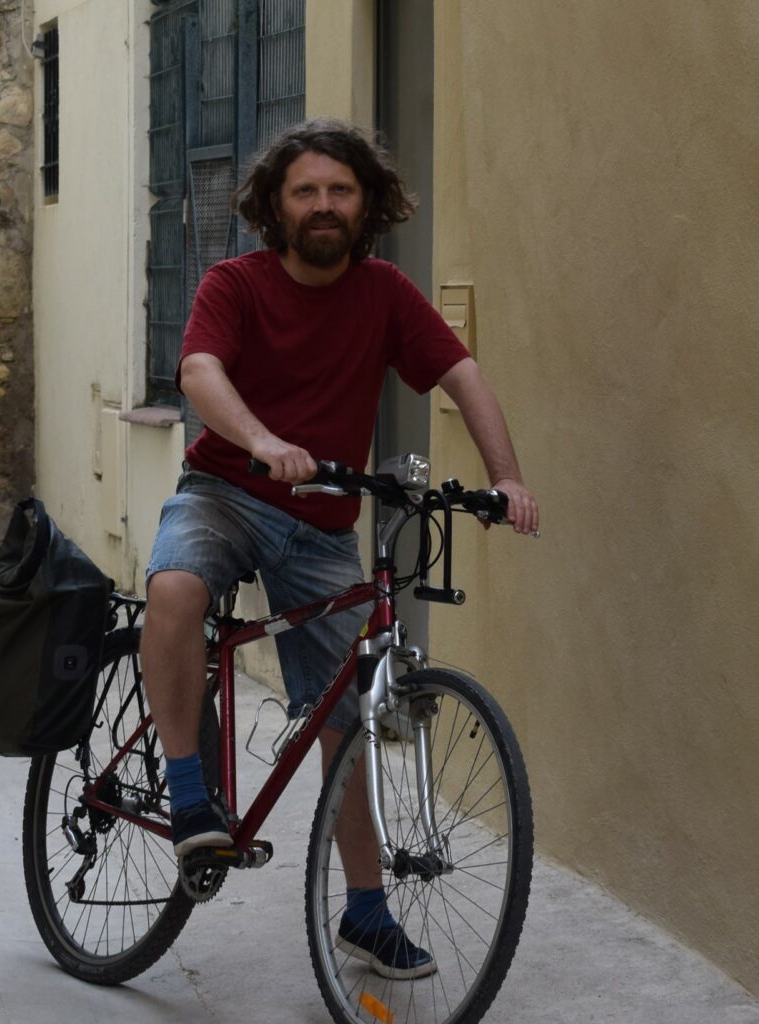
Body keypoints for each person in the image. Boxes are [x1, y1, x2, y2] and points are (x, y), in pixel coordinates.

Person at [140, 118, 539, 979]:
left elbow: (460, 373)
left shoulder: (385, 293)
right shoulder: (235, 283)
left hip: (322, 524)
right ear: (275, 207)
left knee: (346, 720)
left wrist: (505, 480)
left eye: (340, 191)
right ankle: (185, 790)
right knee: (175, 589)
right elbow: (201, 372)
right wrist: (261, 440)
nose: (324, 205)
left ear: (367, 205)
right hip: (227, 492)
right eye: (306, 191)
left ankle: (364, 911)